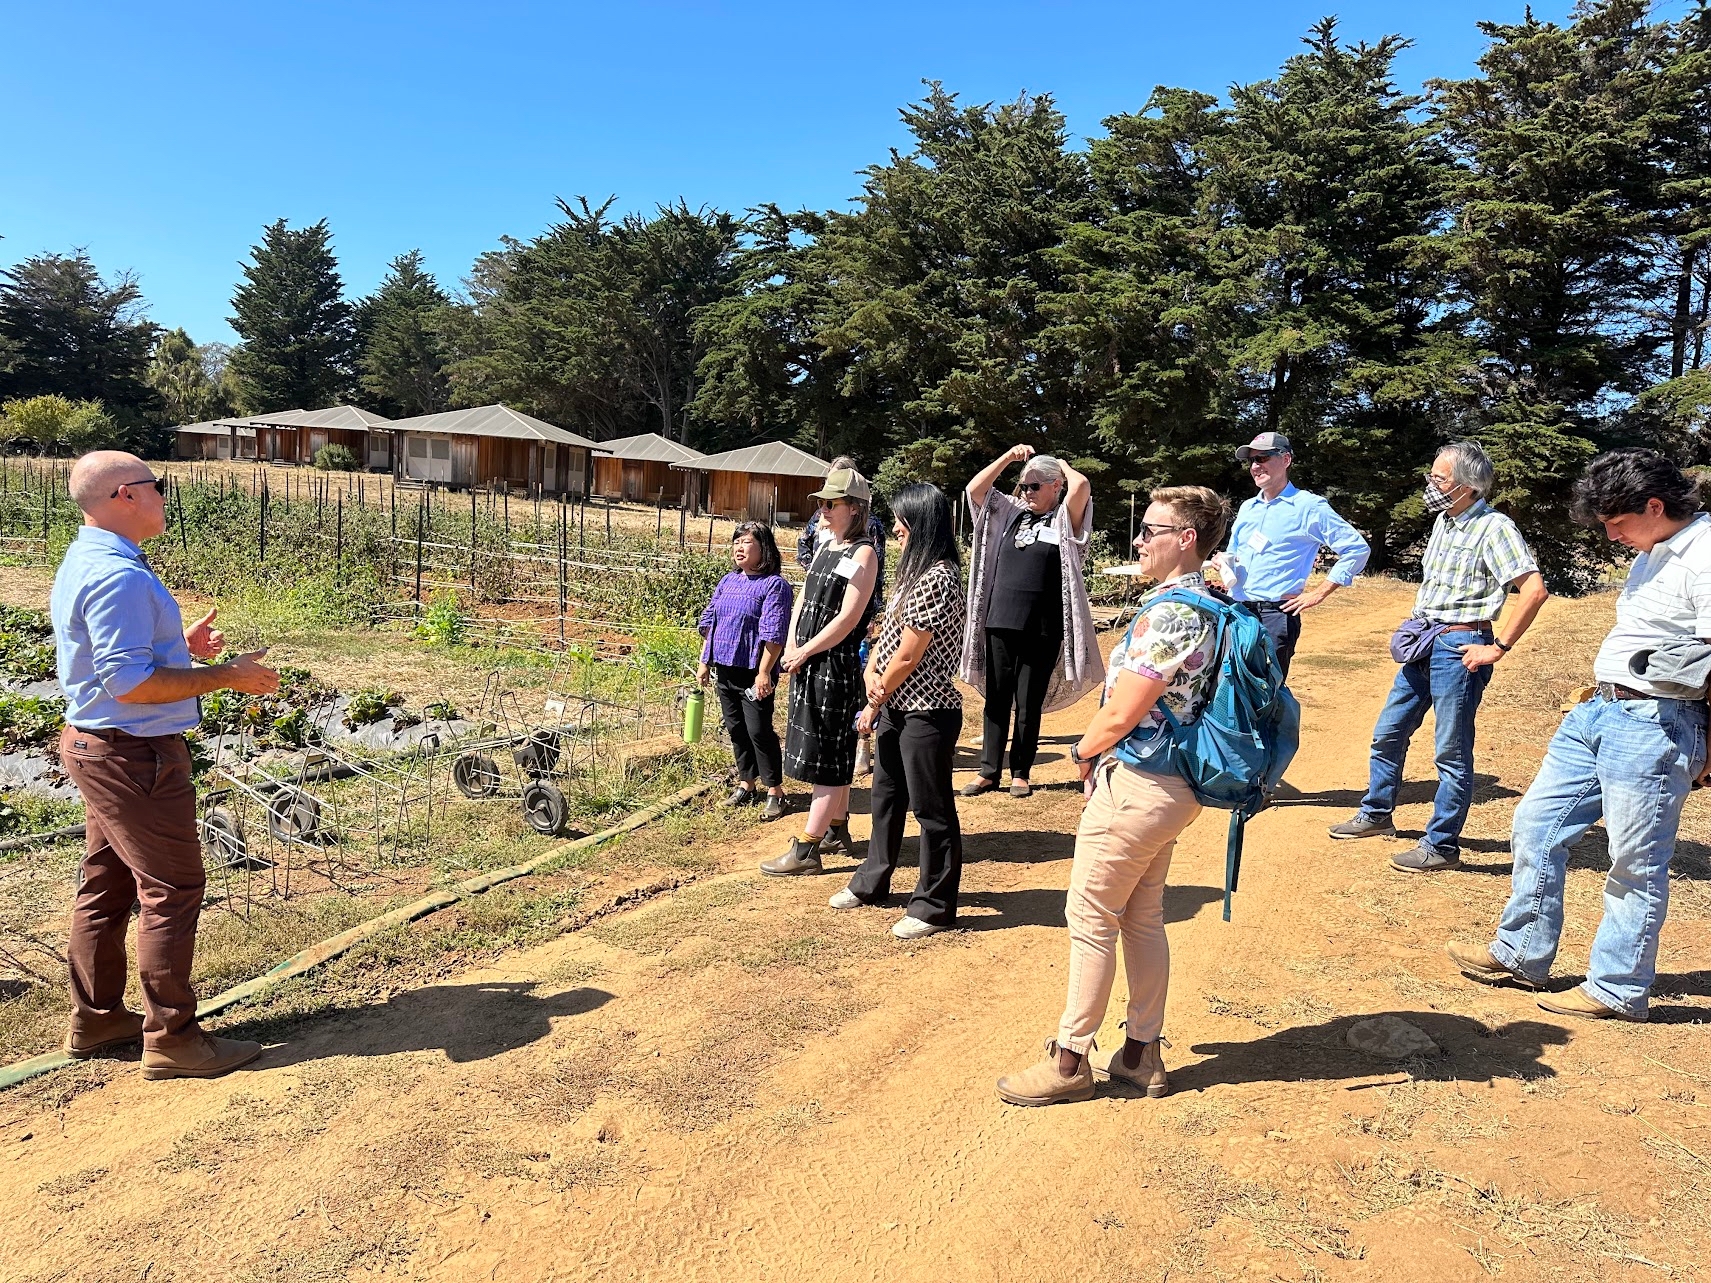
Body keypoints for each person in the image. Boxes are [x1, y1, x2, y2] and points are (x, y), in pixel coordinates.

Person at [1448, 450, 1711, 1021]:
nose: (1612, 535)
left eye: (1617, 522)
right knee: (1536, 823)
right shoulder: (1652, 552)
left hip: (1658, 723)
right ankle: (1521, 951)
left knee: (1635, 861)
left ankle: (1617, 988)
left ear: (1655, 505)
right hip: (1600, 714)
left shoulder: (1707, 555)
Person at [995, 486, 1230, 1106]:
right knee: (1142, 917)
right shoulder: (1204, 603)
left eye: (1151, 530)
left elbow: (1126, 707)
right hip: (1172, 786)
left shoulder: (1175, 614)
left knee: (1091, 915)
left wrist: (1080, 751)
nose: (1139, 539)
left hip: (1139, 786)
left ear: (1185, 540)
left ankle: (1070, 1061)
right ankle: (1141, 1054)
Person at [50, 451, 281, 1080]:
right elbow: (127, 682)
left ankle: (97, 1020)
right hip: (134, 754)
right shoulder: (118, 574)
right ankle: (173, 1039)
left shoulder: (92, 557)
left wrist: (182, 649)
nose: (162, 495)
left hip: (102, 747)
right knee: (172, 889)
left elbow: (119, 660)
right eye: (157, 485)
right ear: (127, 494)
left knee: (109, 883)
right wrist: (225, 676)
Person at [1329, 441, 1550, 871]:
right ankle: (1376, 814)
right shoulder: (1444, 523)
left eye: (1440, 478)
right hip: (1425, 642)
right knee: (1388, 733)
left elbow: (1534, 590)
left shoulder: (1495, 528)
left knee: (1450, 752)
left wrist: (1498, 647)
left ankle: (1442, 845)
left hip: (1460, 649)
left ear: (1467, 486)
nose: (1431, 485)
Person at [830, 483, 967, 939]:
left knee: (932, 809)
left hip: (927, 707)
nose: (895, 529)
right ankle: (873, 882)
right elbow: (887, 635)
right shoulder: (912, 572)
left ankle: (934, 905)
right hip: (895, 702)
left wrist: (877, 692)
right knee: (886, 798)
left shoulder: (940, 576)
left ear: (921, 523)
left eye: (902, 521)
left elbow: (910, 654)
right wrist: (871, 671)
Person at [960, 445, 1104, 799]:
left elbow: (1082, 485)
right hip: (1000, 620)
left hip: (1042, 626)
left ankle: (1020, 772)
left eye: (1035, 486)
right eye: (1023, 486)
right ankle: (988, 772)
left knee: (1028, 702)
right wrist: (1008, 459)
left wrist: (1064, 464)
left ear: (1056, 487)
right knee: (996, 700)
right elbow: (974, 491)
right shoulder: (1011, 512)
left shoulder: (1064, 518)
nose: (1026, 492)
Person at [762, 468, 879, 876]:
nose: (822, 510)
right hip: (810, 660)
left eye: (831, 504)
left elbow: (849, 618)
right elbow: (803, 601)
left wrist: (807, 649)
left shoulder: (864, 553)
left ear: (855, 509)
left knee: (828, 753)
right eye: (821, 503)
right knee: (831, 749)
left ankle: (808, 848)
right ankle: (836, 827)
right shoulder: (828, 545)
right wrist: (792, 645)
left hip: (833, 664)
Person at [1213, 431, 1370, 681]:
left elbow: (1357, 549)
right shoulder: (1246, 508)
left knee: (1265, 696)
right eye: (1252, 460)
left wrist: (1318, 594)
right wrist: (1223, 559)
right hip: (1236, 611)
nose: (1255, 466)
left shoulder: (1308, 506)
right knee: (1227, 691)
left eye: (1263, 458)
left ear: (1285, 460)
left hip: (1274, 616)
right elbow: (1234, 552)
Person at [797, 456, 888, 778]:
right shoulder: (817, 521)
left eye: (833, 497)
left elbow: (874, 571)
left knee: (859, 678)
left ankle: (862, 741)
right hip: (820, 604)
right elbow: (802, 551)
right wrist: (821, 575)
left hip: (853, 609)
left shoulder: (871, 528)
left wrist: (871, 613)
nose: (825, 503)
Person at [697, 521, 794, 822]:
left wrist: (765, 673)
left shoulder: (774, 585)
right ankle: (746, 783)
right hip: (725, 669)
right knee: (736, 729)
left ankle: (775, 791)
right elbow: (710, 623)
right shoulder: (727, 581)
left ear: (764, 548)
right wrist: (704, 662)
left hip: (754, 672)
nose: (739, 547)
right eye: (736, 541)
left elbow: (774, 634)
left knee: (759, 731)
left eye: (747, 542)